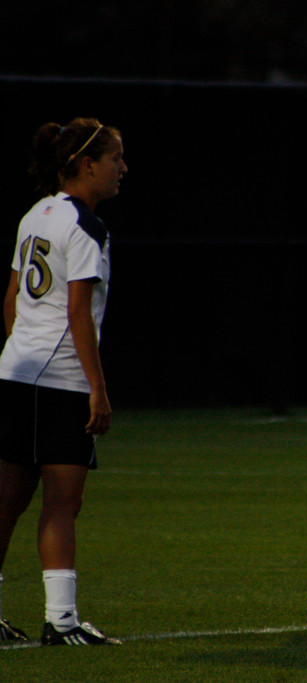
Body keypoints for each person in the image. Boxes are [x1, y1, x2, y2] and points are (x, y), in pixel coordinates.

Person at [0, 118, 127, 645]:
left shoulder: (36, 214)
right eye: (116, 158)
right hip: (61, 383)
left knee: (6, 502)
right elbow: (78, 312)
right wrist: (96, 388)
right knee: (61, 503)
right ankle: (62, 621)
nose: (123, 168)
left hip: (14, 372)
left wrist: (21, 352)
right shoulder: (85, 227)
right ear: (86, 165)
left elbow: (10, 301)